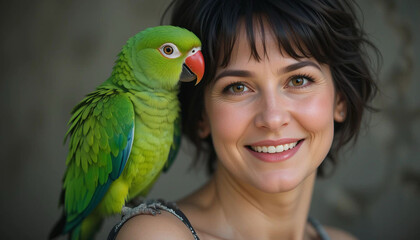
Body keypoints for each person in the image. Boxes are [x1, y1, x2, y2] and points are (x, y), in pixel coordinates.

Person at [109, 0, 379, 239]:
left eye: (298, 80)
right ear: (202, 115)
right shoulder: (156, 236)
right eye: (237, 87)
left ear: (340, 100)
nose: (272, 118)